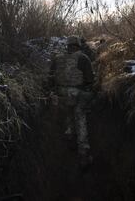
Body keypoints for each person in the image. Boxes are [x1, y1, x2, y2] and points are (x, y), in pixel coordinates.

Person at [49, 36, 94, 169]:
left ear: (67, 45)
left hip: (61, 95)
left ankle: (69, 137)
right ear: (78, 45)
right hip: (78, 94)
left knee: (68, 113)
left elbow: (50, 78)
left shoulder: (57, 59)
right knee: (80, 118)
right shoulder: (83, 58)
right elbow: (90, 80)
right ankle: (83, 154)